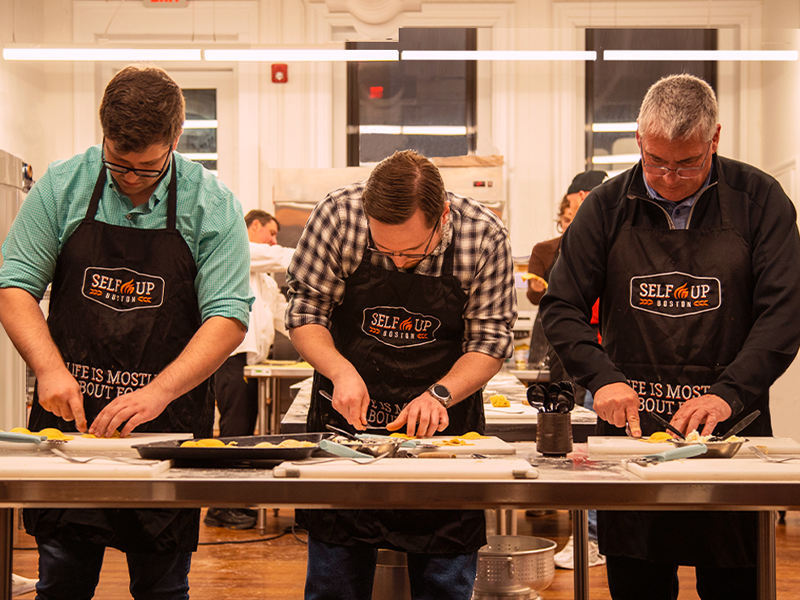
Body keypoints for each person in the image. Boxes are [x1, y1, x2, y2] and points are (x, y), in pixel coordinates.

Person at [540, 73, 800, 599]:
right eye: (657, 160)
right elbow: (562, 307)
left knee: (735, 582)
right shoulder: (605, 208)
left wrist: (729, 392)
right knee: (638, 581)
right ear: (639, 140)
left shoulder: (759, 200)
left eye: (687, 162)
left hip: (732, 430)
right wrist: (603, 379)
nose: (670, 176)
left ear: (715, 139)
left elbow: (784, 313)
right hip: (633, 436)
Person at [0, 65, 252, 599]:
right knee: (63, 580)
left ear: (176, 139)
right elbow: (14, 285)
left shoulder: (213, 204)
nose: (131, 178)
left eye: (147, 167)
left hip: (167, 426)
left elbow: (228, 315)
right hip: (71, 427)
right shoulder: (63, 184)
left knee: (161, 587)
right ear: (103, 134)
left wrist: (159, 392)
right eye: (118, 163)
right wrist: (48, 369)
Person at [286, 149, 516, 600]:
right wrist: (341, 372)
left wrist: (440, 395)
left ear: (443, 216)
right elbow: (305, 312)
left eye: (412, 250)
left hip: (442, 440)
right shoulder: (336, 216)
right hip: (345, 434)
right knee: (334, 582)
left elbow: (489, 343)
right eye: (383, 249)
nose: (397, 261)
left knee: (445, 585)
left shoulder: (483, 236)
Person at [205, 210, 294, 530]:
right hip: (230, 359)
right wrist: (315, 256)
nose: (273, 240)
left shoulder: (265, 280)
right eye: (270, 232)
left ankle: (235, 501)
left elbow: (284, 318)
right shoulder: (236, 250)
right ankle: (220, 507)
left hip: (250, 364)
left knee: (243, 435)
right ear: (253, 225)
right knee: (233, 434)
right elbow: (271, 255)